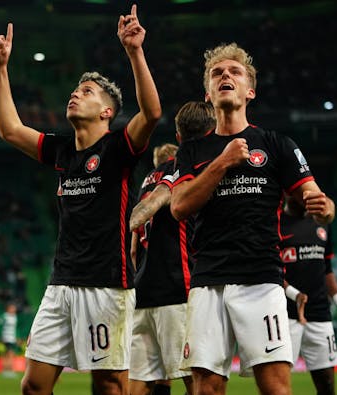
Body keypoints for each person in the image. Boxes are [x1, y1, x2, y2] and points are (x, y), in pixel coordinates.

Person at [0, 4, 161, 395]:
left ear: (106, 112)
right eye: (75, 90)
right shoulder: (63, 152)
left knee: (109, 386)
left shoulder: (119, 148)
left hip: (107, 286)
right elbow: (10, 130)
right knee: (33, 385)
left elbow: (151, 112)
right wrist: (0, 69)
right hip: (61, 284)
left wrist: (135, 50)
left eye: (86, 92)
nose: (74, 95)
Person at [169, 43, 335, 395]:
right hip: (208, 281)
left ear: (250, 90)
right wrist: (224, 161)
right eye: (217, 73)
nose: (225, 76)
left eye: (234, 72)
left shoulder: (276, 144)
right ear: (208, 93)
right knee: (206, 388)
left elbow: (317, 198)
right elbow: (179, 207)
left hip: (261, 279)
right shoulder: (192, 151)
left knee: (276, 388)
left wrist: (324, 205)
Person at [128, 101, 216, 395]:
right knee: (194, 377)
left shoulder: (147, 180)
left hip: (143, 288)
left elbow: (132, 248)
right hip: (177, 286)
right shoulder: (186, 171)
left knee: (141, 379)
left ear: (179, 137)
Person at [279, 195, 337, 395]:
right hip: (286, 315)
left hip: (320, 314)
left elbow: (326, 269)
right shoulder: (275, 222)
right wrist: (295, 295)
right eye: (299, 191)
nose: (305, 196)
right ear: (287, 193)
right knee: (278, 386)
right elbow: (271, 270)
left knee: (327, 386)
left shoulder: (322, 223)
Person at [0, 303, 19, 378]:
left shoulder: (14, 317)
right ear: (8, 308)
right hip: (6, 338)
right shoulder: (4, 316)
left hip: (12, 338)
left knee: (8, 354)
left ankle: (6, 370)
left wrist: (16, 338)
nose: (14, 309)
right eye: (12, 308)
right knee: (10, 354)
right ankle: (9, 370)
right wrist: (1, 337)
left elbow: (15, 329)